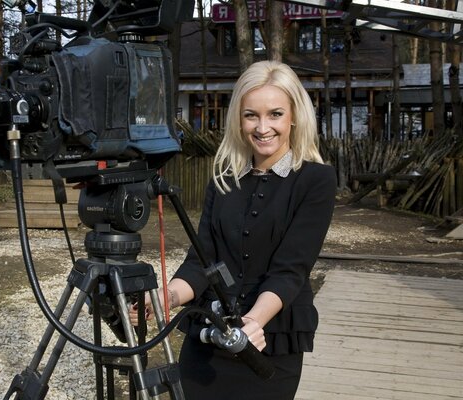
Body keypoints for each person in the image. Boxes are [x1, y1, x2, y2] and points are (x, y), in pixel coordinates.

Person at [130, 61, 336, 399]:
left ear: (294, 117)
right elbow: (202, 261)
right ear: (239, 120)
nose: (262, 126)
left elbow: (291, 269)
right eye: (251, 115)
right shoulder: (224, 179)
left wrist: (252, 323)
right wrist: (166, 297)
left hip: (269, 341)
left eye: (275, 114)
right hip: (208, 339)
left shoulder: (316, 180)